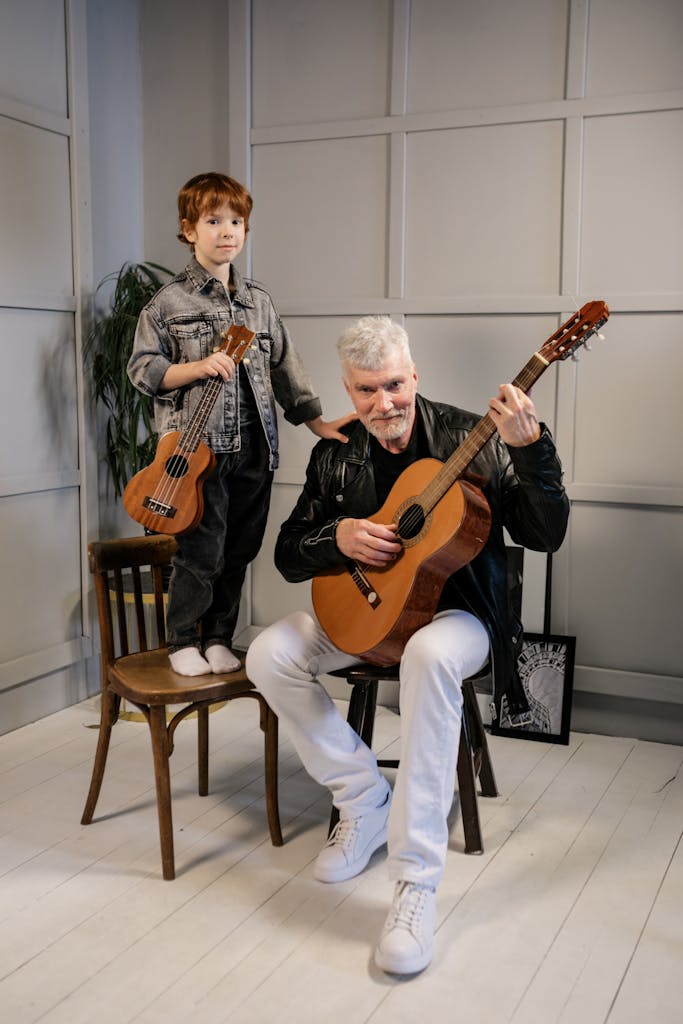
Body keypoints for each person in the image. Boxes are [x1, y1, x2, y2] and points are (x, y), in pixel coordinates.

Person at [246, 315, 569, 975]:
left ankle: (414, 885)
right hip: (371, 613)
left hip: (461, 617)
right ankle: (363, 801)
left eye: (393, 384)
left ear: (413, 375)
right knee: (268, 653)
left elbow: (546, 534)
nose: (382, 403)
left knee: (426, 655)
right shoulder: (334, 453)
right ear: (347, 387)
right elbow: (285, 554)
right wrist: (333, 539)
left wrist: (531, 450)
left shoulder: (471, 438)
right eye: (365, 390)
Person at [127, 172, 354, 677]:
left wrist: (317, 422)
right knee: (200, 551)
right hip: (197, 452)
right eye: (214, 220)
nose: (227, 230)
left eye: (236, 221)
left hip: (257, 449)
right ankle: (183, 639)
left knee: (239, 549)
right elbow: (142, 370)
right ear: (189, 230)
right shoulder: (168, 304)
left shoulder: (259, 303)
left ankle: (218, 639)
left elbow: (287, 369)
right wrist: (197, 367)